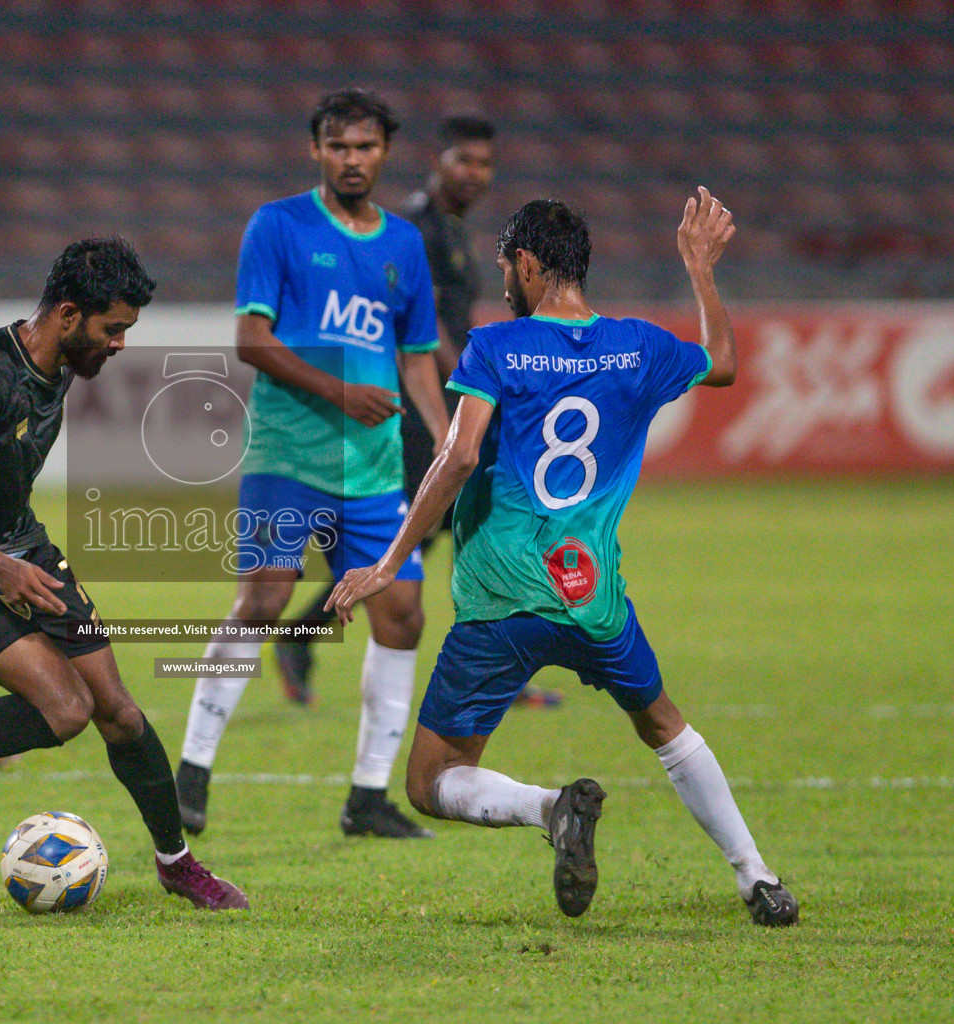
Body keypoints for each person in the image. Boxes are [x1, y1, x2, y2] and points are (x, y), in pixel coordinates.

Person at [328, 191, 799, 926]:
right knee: (666, 726)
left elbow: (458, 457)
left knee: (429, 781)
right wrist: (700, 268)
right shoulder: (638, 347)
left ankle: (551, 811)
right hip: (593, 599)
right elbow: (725, 364)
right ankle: (758, 876)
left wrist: (389, 562)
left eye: (504, 268)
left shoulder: (495, 347)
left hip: (502, 599)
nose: (503, 283)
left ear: (525, 264)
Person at [0, 237, 248, 911]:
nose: (119, 345)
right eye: (113, 329)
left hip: (19, 546)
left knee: (119, 713)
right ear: (68, 315)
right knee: (66, 709)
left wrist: (12, 555)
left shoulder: (61, 360)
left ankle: (176, 864)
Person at [173, 88, 451, 840]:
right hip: (288, 454)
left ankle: (367, 798)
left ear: (384, 152)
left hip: (371, 469)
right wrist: (339, 391)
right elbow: (251, 340)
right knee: (263, 601)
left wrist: (450, 438)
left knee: (402, 614)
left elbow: (417, 356)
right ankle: (192, 769)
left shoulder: (404, 245)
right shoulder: (279, 225)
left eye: (364, 146)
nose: (352, 159)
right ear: (316, 151)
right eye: (338, 146)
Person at [274, 114, 557, 712]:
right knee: (421, 536)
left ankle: (302, 638)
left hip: (448, 401)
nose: (474, 173)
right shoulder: (420, 229)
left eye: (484, 163)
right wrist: (467, 388)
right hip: (423, 410)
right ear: (439, 160)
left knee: (441, 534)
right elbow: (421, 330)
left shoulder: (452, 231)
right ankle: (303, 637)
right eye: (464, 160)